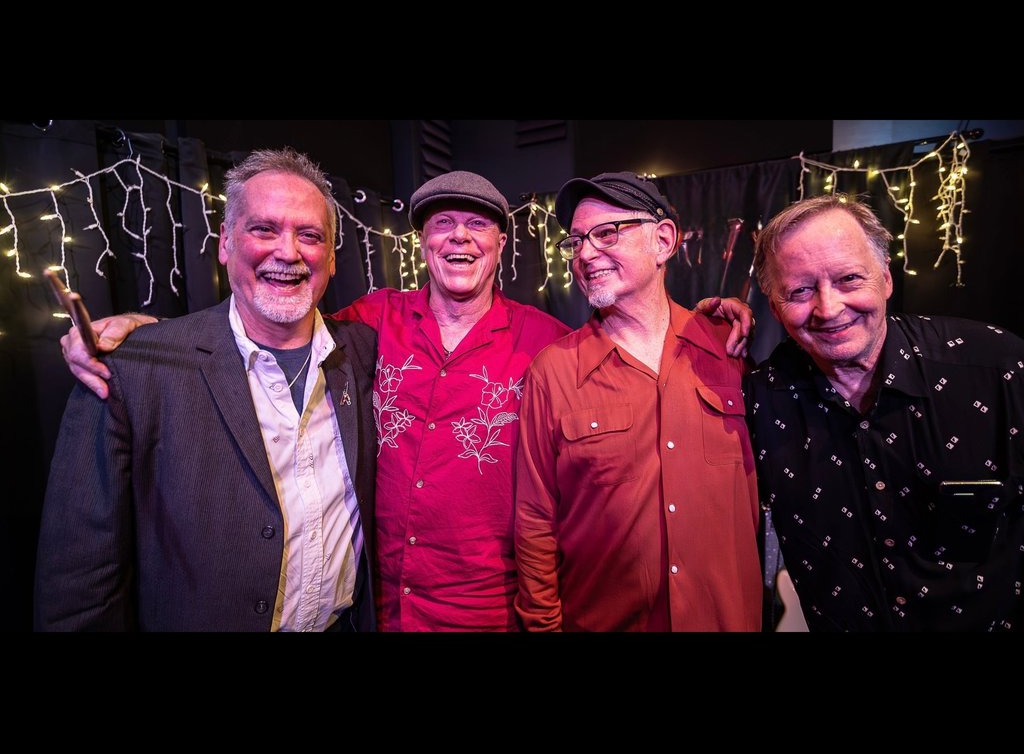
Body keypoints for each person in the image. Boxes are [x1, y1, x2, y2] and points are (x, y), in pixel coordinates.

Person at [60, 170, 755, 632]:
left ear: (501, 243)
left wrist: (709, 322)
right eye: (442, 223)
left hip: (489, 616)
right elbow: (273, 322)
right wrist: (147, 335)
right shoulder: (368, 325)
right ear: (422, 242)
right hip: (381, 611)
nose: (460, 236)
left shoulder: (549, 344)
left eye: (477, 224)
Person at [35, 147, 378, 631]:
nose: (288, 252)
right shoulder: (134, 367)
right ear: (225, 244)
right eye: (264, 229)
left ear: (332, 258)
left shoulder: (366, 353)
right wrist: (140, 332)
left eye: (310, 235)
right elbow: (81, 577)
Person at [746, 194, 1024, 632]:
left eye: (849, 279)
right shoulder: (759, 400)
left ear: (886, 279)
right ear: (774, 306)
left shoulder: (998, 368)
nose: (828, 308)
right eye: (799, 290)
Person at [514, 172, 764, 631]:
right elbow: (535, 522)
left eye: (607, 233)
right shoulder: (553, 372)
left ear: (663, 240)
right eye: (576, 242)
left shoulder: (726, 347)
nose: (586, 254)